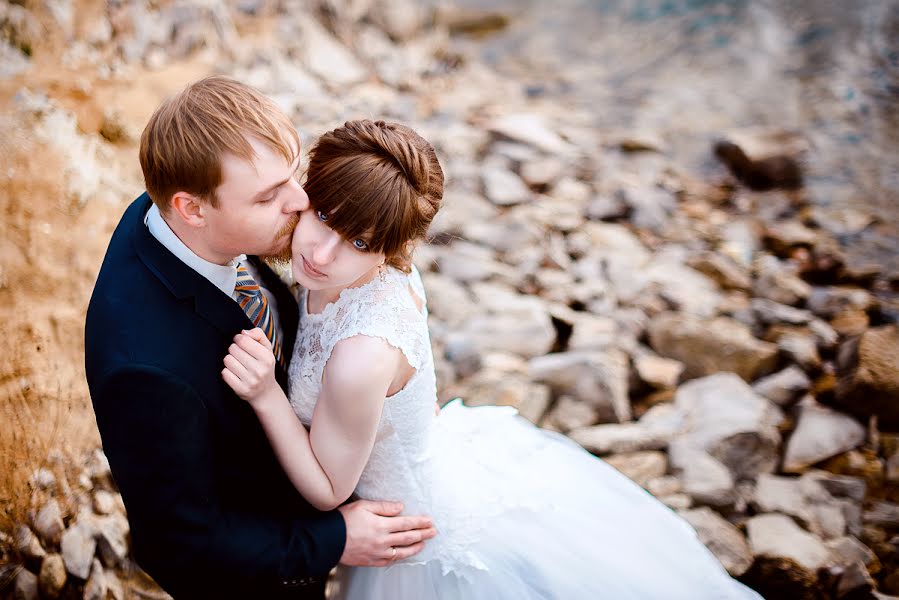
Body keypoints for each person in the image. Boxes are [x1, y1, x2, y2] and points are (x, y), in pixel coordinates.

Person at [222, 118, 766, 599]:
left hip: (416, 542)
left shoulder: (359, 357)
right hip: (442, 460)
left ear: (390, 249)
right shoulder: (377, 275)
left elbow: (328, 488)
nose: (321, 254)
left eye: (360, 243)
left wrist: (266, 395)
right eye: (323, 215)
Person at [84, 78, 436, 600]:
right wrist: (333, 540)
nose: (301, 201)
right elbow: (181, 546)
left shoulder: (183, 207)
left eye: (293, 175)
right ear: (193, 209)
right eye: (271, 196)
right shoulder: (147, 372)